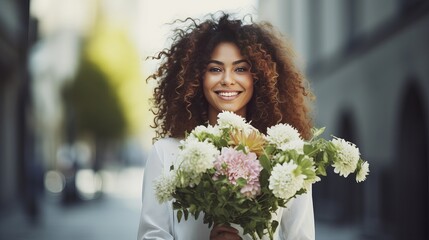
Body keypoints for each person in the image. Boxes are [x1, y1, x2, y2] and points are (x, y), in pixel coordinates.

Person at [138, 13, 315, 240]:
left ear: (258, 77)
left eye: (240, 69)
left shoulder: (288, 158)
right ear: (197, 78)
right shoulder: (165, 154)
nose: (228, 80)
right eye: (215, 69)